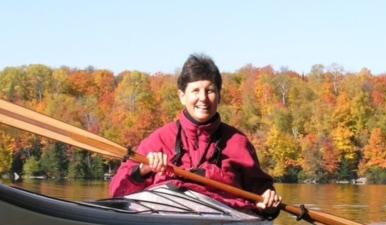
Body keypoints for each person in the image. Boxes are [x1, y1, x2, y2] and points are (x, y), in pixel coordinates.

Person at [109, 54, 281, 216]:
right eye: (195, 91)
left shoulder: (238, 143)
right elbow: (116, 191)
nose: (203, 98)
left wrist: (268, 203)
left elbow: (262, 192)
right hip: (162, 211)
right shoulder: (158, 140)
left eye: (210, 90)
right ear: (182, 96)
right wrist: (142, 170)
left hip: (222, 216)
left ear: (219, 96)